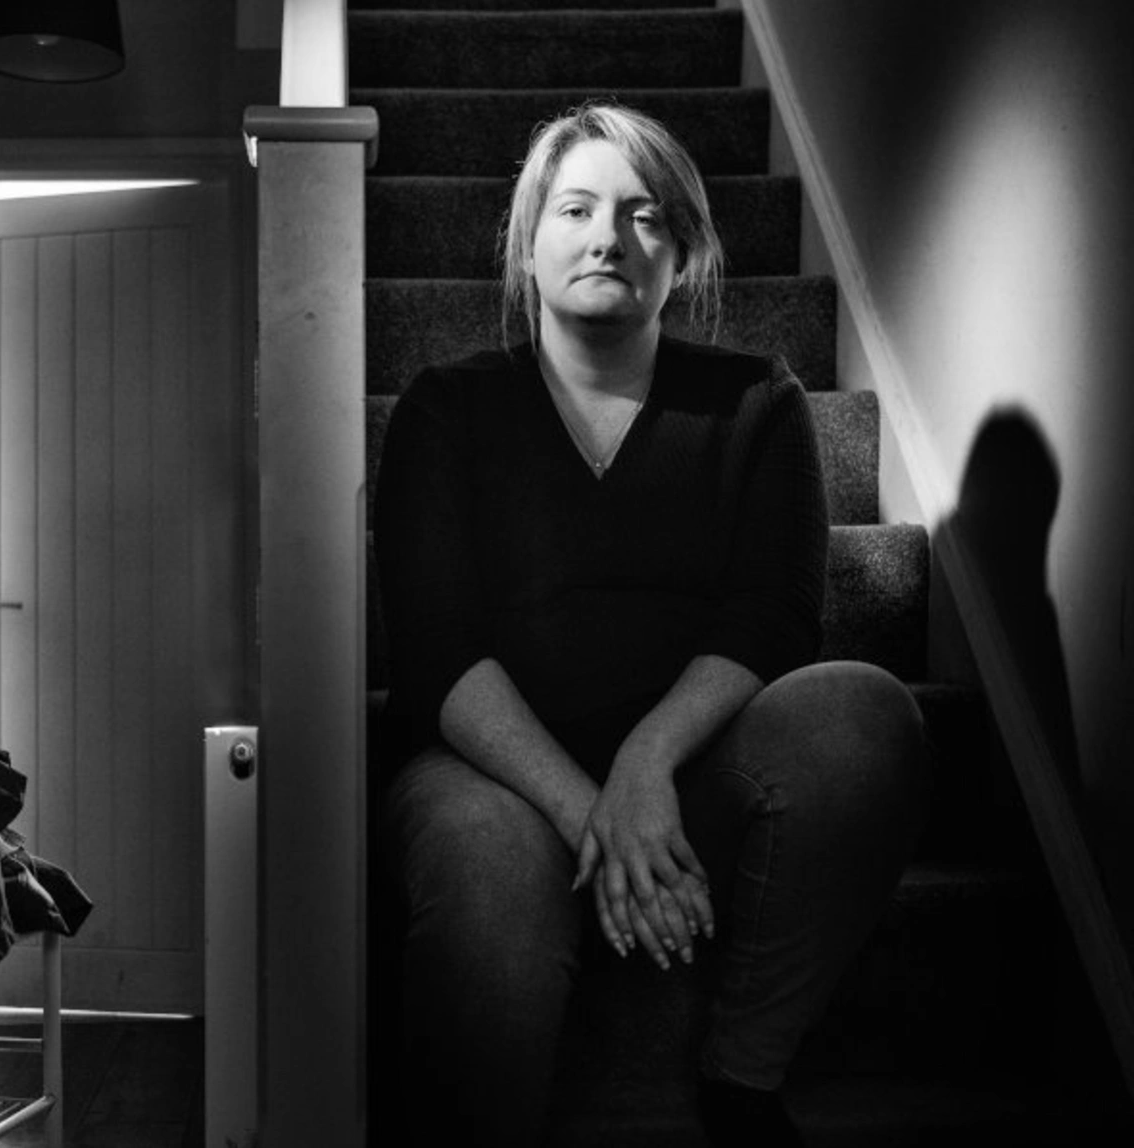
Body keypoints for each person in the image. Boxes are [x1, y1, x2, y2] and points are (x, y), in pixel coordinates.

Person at [375, 103, 931, 1146]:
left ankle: (742, 1074)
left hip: (693, 772)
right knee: (488, 863)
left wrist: (644, 768)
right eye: (577, 208)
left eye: (643, 215)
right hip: (486, 771)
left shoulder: (757, 401)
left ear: (682, 251)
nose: (607, 237)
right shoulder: (445, 410)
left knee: (863, 713)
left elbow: (773, 616)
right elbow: (441, 647)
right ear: (529, 240)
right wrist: (597, 813)